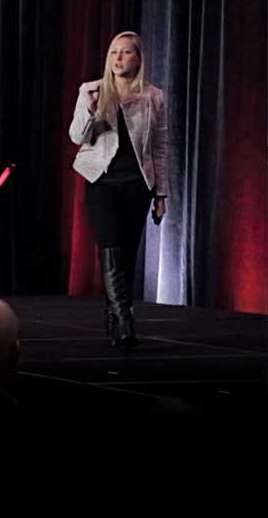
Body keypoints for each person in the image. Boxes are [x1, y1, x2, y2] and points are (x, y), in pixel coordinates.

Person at [69, 31, 169, 349]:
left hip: (137, 184)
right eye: (114, 52)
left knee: (126, 256)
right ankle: (125, 320)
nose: (118, 58)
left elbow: (159, 147)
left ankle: (113, 315)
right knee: (110, 249)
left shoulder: (154, 97)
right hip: (101, 181)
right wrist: (91, 107)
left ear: (138, 58)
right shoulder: (91, 89)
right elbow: (77, 136)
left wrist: (161, 194)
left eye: (126, 53)